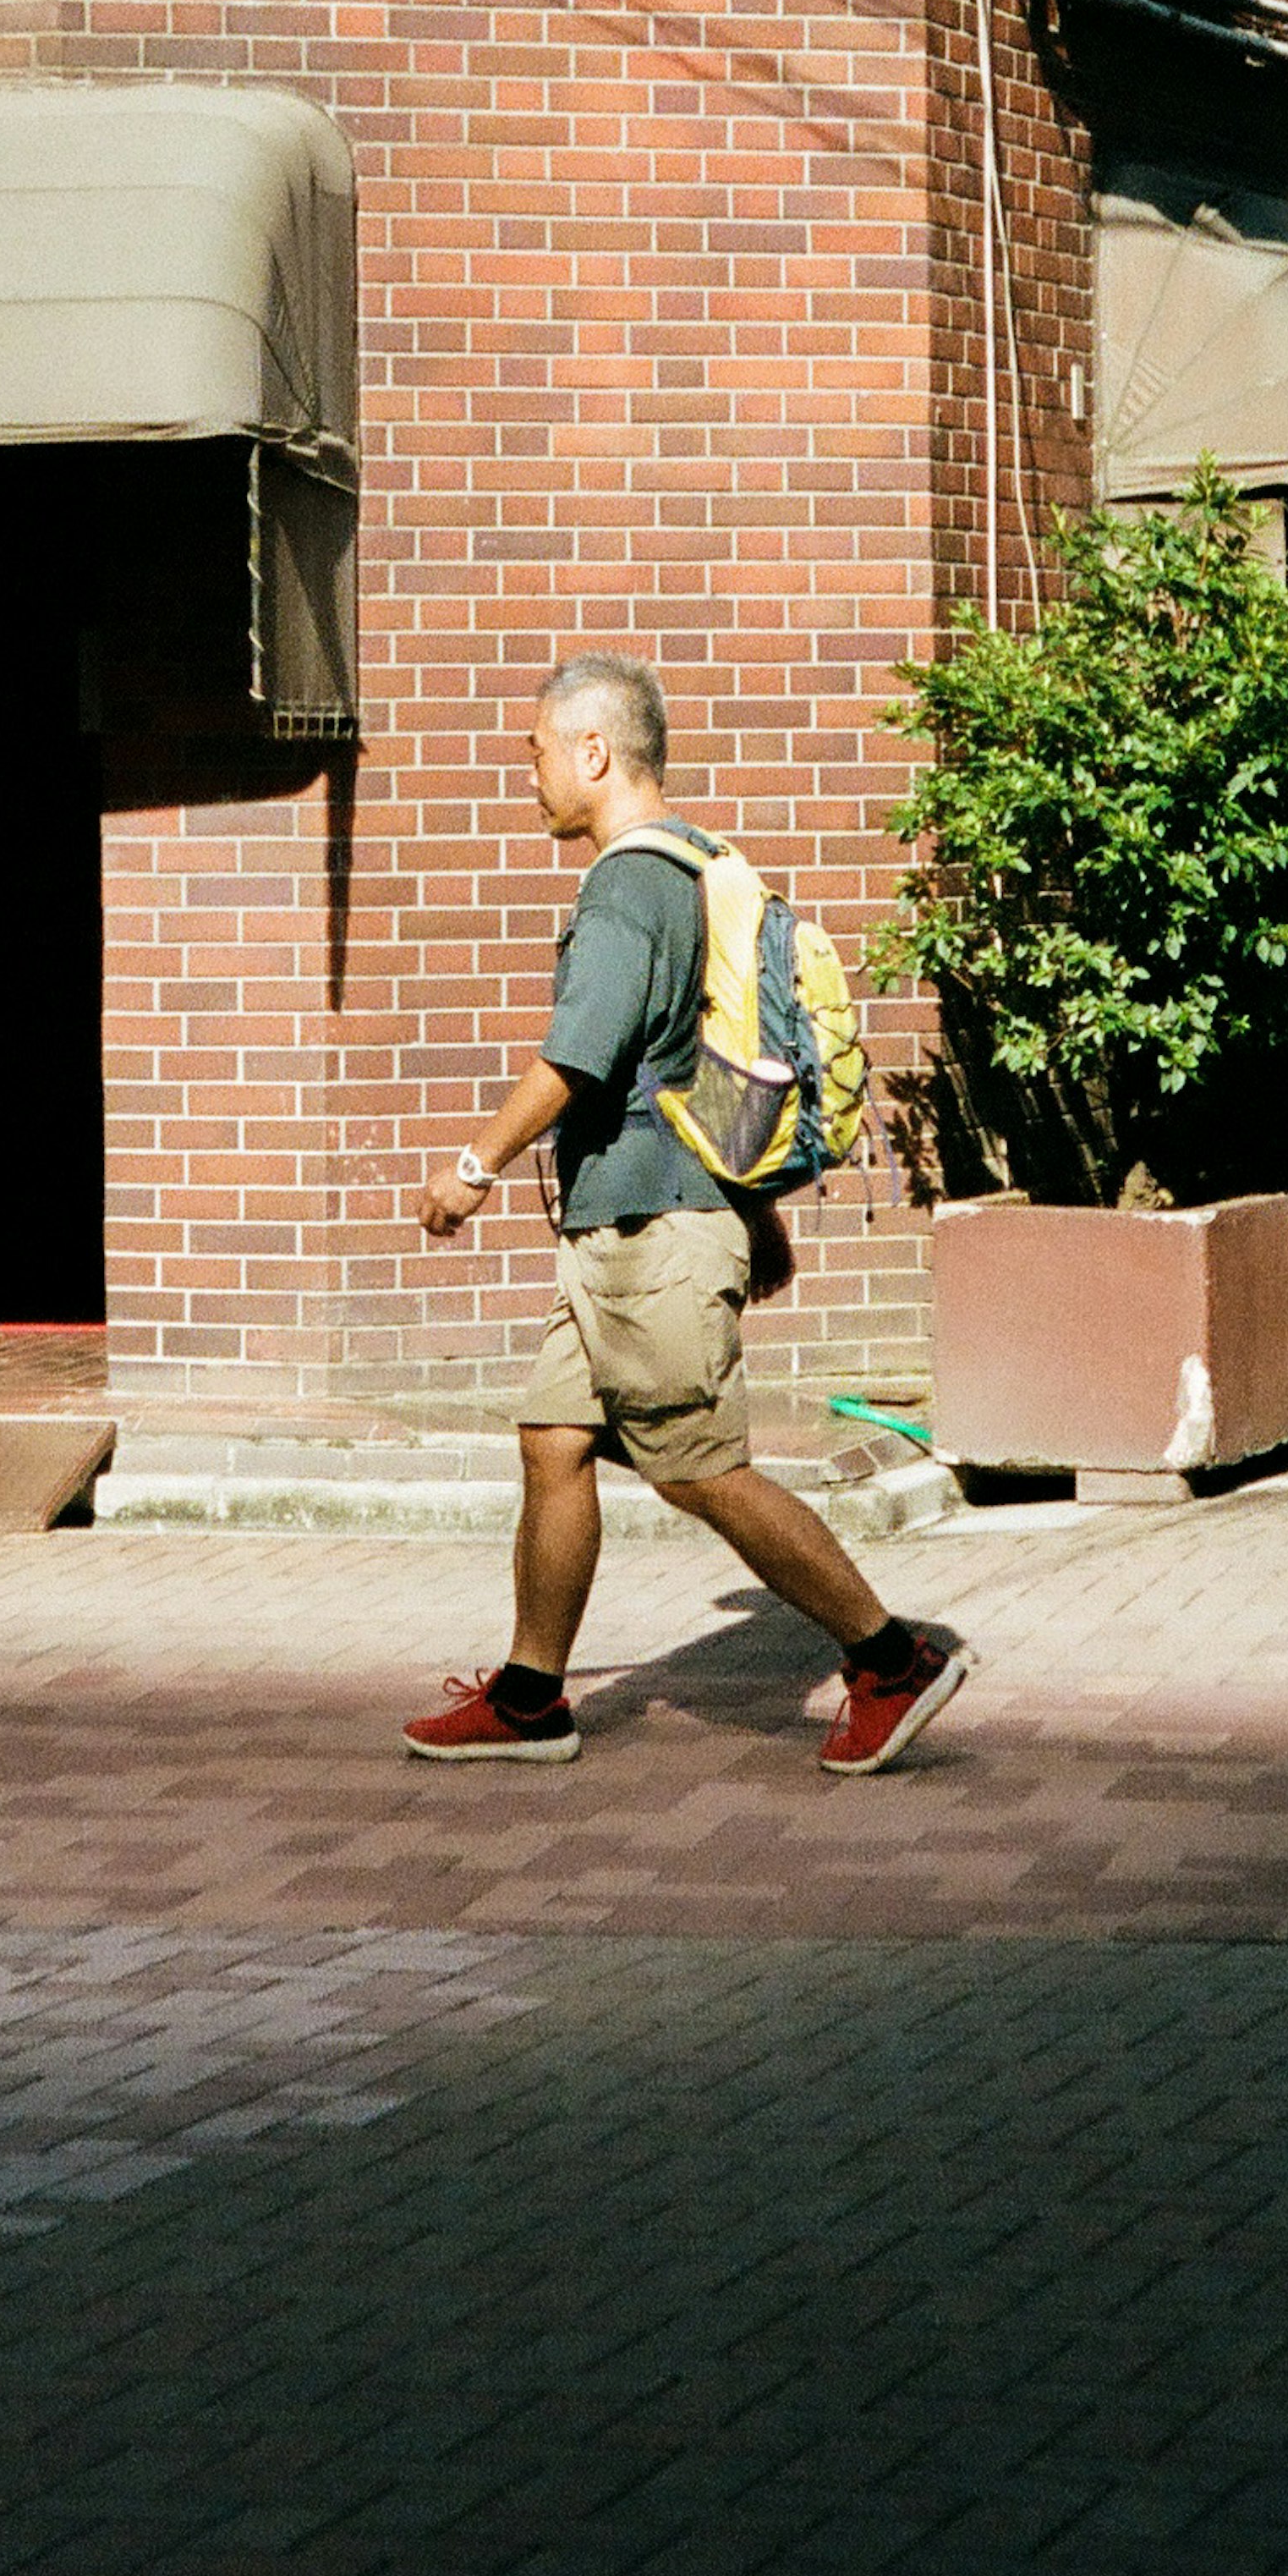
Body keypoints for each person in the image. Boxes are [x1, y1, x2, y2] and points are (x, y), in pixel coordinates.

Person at [404, 651, 970, 1777]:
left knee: (698, 1469)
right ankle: (529, 1699)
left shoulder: (626, 881)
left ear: (594, 751)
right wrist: (757, 1218)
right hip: (647, 1223)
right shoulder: (702, 863)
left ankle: (890, 1657)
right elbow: (701, 1061)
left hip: (650, 1238)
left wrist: (472, 1164)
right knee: (555, 1440)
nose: (529, 774)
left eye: (536, 750)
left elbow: (583, 1054)